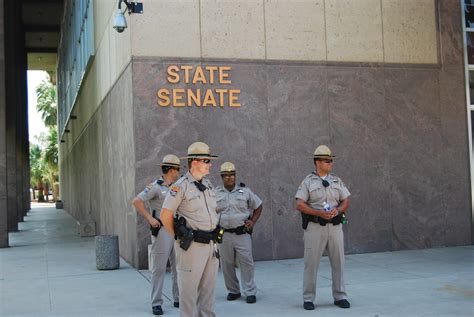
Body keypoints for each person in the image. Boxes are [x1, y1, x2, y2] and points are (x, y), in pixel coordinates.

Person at [160, 142, 220, 317]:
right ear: (194, 163)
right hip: (192, 247)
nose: (210, 164)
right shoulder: (181, 186)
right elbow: (165, 215)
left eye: (210, 161)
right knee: (188, 295)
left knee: (208, 292)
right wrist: (179, 236)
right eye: (206, 161)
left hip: (211, 245)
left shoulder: (208, 185)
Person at [295, 145, 351, 310]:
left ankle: (340, 296)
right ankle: (308, 298)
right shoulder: (308, 181)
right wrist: (318, 213)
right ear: (317, 162)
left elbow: (346, 200)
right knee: (311, 263)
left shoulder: (336, 180)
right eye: (327, 160)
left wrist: (338, 210)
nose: (330, 163)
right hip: (315, 227)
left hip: (335, 227)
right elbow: (299, 204)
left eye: (331, 160)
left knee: (339, 262)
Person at [132, 154, 181, 315]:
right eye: (178, 169)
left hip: (177, 231)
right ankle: (156, 302)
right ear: (170, 169)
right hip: (162, 232)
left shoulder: (177, 186)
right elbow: (137, 201)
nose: (179, 171)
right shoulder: (155, 187)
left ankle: (178, 298)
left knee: (177, 267)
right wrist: (150, 219)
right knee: (159, 268)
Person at [215, 162, 263, 304]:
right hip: (224, 234)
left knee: (247, 262)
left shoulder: (245, 191)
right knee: (226, 264)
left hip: (242, 233)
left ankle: (250, 291)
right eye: (226, 175)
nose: (229, 178)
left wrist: (253, 221)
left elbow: (259, 205)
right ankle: (233, 291)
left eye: (232, 175)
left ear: (235, 176)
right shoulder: (215, 193)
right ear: (222, 177)